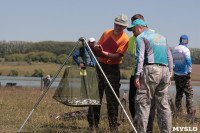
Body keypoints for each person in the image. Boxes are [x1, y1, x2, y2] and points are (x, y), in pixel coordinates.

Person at [127, 19, 173, 133]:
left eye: (133, 29)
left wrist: (137, 76)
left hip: (150, 70)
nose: (133, 32)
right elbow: (170, 57)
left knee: (143, 103)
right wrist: (170, 75)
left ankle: (141, 131)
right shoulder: (162, 37)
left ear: (139, 27)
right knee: (163, 105)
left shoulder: (141, 37)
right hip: (165, 70)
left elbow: (140, 58)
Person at [87, 14, 129, 132]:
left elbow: (117, 56)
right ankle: (93, 124)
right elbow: (97, 49)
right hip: (100, 66)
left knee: (112, 98)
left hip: (113, 68)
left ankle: (113, 126)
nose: (117, 27)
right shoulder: (106, 33)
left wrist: (104, 53)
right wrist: (96, 48)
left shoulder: (125, 39)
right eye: (116, 24)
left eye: (120, 25)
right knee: (96, 96)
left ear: (124, 27)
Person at [127, 14, 156, 133]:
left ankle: (148, 129)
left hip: (149, 73)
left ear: (140, 25)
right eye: (132, 27)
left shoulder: (153, 34)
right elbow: (135, 57)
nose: (132, 29)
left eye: (134, 26)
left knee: (149, 103)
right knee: (132, 101)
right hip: (135, 73)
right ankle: (137, 126)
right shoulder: (131, 39)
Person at [172, 34, 193, 115]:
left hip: (177, 75)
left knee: (179, 93)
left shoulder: (174, 49)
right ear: (186, 41)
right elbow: (189, 62)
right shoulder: (186, 50)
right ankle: (190, 114)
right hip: (184, 75)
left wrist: (174, 70)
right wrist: (189, 72)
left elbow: (172, 62)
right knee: (189, 94)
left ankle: (177, 112)